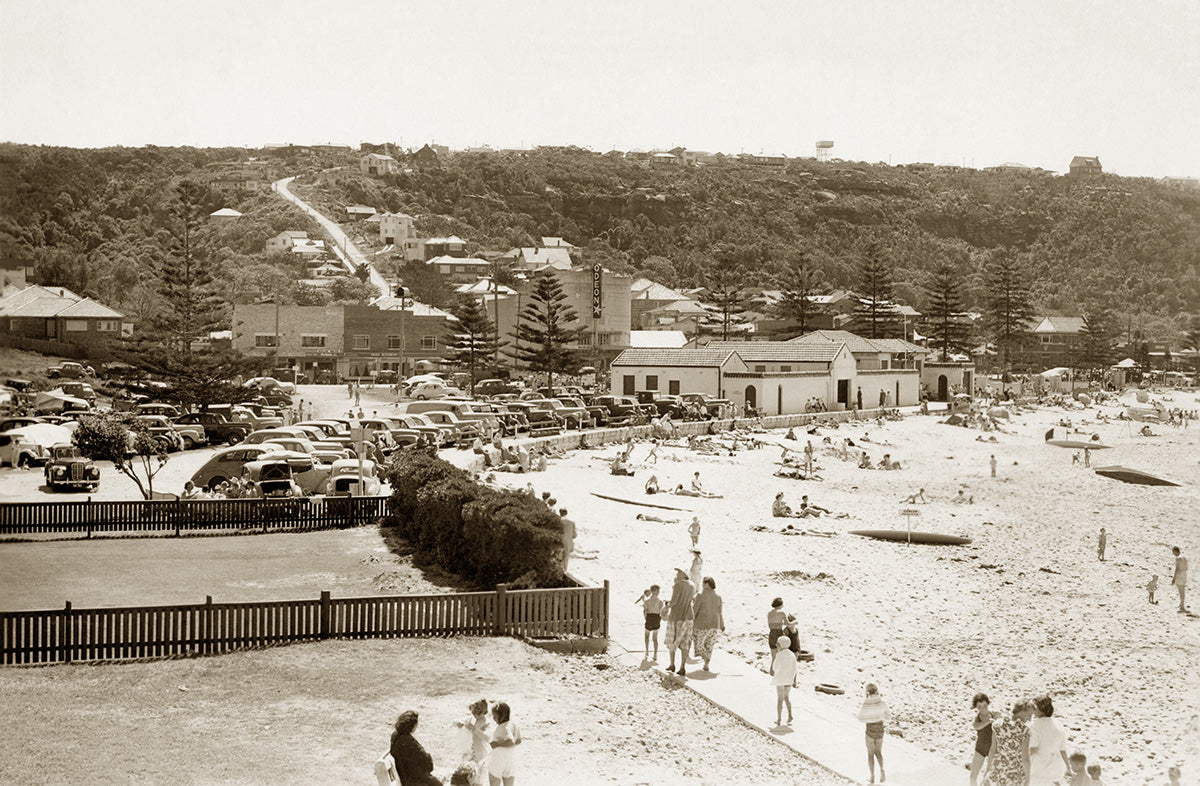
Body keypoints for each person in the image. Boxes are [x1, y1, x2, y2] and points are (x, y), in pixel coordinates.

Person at [981, 699, 1033, 786]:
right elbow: (1025, 758)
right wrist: (1028, 778)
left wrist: (988, 770)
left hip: (997, 769)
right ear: (1022, 712)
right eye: (1029, 715)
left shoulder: (997, 725)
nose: (1030, 719)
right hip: (1014, 773)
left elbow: (992, 750)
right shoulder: (1024, 730)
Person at [388, 710, 441, 786]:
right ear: (412, 726)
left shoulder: (396, 736)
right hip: (411, 780)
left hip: (404, 775)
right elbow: (426, 763)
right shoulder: (408, 741)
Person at [1028, 694, 1069, 786]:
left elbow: (1032, 749)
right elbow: (1063, 750)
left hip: (1039, 768)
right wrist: (1068, 767)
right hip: (1055, 767)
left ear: (1040, 710)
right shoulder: (1058, 724)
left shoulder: (1034, 725)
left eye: (1034, 708)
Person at [664, 568, 696, 676]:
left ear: (683, 574)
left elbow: (674, 602)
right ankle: (682, 667)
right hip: (688, 616)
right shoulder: (692, 585)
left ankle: (672, 664)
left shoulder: (678, 585)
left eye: (678, 573)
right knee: (685, 642)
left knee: (671, 640)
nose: (677, 575)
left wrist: (666, 606)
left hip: (676, 616)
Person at [857, 683, 888, 784]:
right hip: (880, 729)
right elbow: (888, 716)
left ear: (867, 692)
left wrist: (870, 717)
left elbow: (860, 718)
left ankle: (872, 777)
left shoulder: (866, 702)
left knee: (870, 754)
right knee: (878, 752)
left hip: (870, 729)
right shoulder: (882, 702)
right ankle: (882, 770)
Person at [691, 577, 724, 671]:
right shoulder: (718, 597)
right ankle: (706, 664)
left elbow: (695, 610)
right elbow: (720, 612)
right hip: (715, 624)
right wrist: (722, 624)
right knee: (709, 645)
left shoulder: (700, 595)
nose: (702, 585)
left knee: (699, 644)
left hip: (702, 624)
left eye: (703, 583)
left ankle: (705, 659)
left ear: (708, 584)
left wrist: (691, 620)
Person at [452, 699, 491, 773]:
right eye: (473, 713)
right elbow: (453, 722)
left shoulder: (486, 722)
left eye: (477, 714)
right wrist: (458, 723)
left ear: (483, 712)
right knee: (466, 774)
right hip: (467, 752)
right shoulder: (470, 719)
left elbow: (488, 737)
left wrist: (475, 729)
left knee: (478, 776)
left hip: (480, 754)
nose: (475, 716)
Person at [487, 702, 521, 786]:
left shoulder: (504, 726)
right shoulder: (514, 724)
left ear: (501, 716)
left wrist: (498, 744)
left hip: (498, 758)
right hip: (510, 759)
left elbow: (510, 741)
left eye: (495, 716)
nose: (493, 718)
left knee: (494, 783)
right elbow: (518, 741)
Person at [970, 692, 999, 786]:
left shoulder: (995, 714)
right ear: (976, 707)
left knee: (987, 776)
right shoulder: (978, 718)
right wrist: (988, 722)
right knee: (973, 775)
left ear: (988, 704)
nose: (982, 709)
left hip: (993, 749)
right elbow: (976, 726)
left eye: (985, 705)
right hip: (980, 748)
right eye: (979, 706)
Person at [771, 635, 798, 727]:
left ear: (780, 645)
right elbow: (795, 668)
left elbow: (775, 667)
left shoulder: (779, 655)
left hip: (780, 679)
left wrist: (777, 672)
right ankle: (790, 715)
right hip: (789, 679)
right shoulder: (792, 655)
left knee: (780, 699)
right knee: (787, 697)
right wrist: (793, 678)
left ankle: (779, 719)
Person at [636, 585, 665, 660]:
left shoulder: (647, 601)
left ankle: (647, 651)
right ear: (657, 592)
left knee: (646, 636)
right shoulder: (660, 601)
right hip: (656, 618)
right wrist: (660, 619)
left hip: (649, 617)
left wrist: (646, 619)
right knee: (655, 638)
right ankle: (655, 654)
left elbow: (645, 611)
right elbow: (661, 612)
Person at [559, 508, 575, 574]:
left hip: (559, 543)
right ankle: (564, 571)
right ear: (567, 514)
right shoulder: (572, 523)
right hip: (568, 544)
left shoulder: (558, 522)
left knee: (558, 559)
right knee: (565, 560)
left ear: (560, 513)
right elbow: (574, 535)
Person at [1171, 546, 1188, 612]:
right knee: (1182, 591)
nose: (1173, 554)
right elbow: (1186, 568)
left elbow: (1177, 569)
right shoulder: (1184, 558)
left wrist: (1174, 578)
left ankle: (1182, 606)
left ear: (1176, 551)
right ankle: (1181, 604)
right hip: (1184, 575)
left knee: (1180, 591)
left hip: (1179, 575)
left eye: (1173, 552)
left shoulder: (1178, 558)